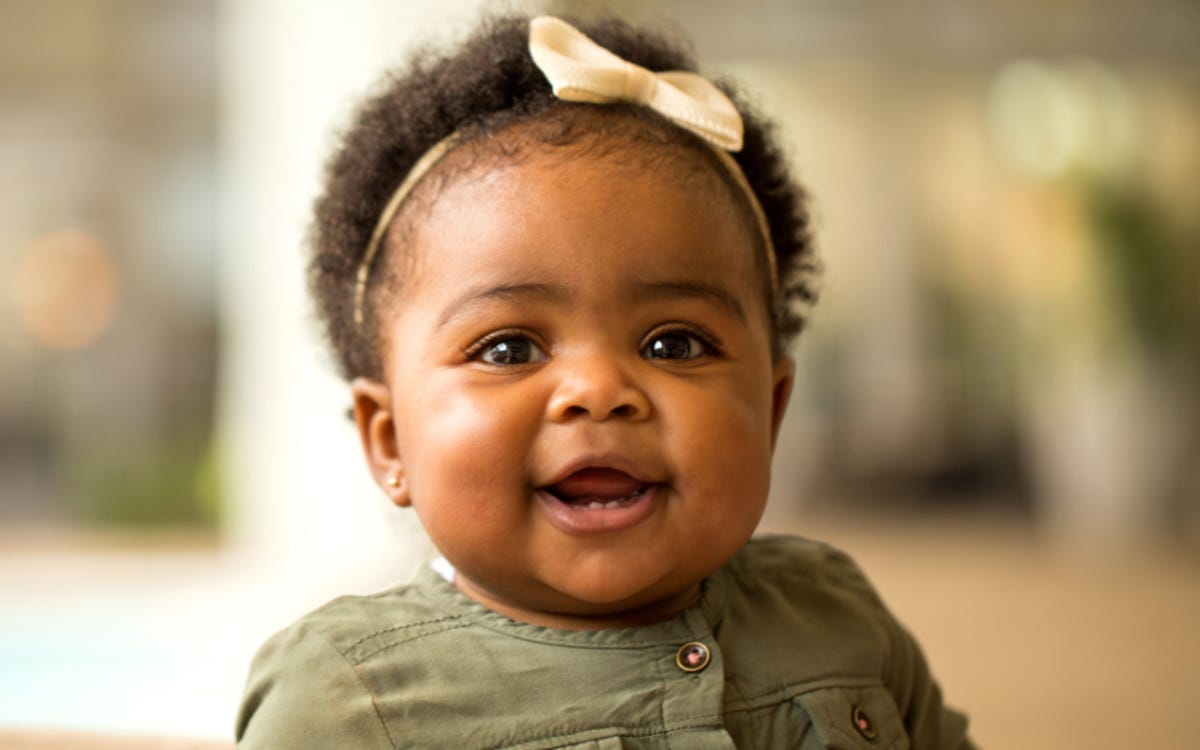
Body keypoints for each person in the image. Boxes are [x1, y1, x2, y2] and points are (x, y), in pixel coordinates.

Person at [235, 14, 975, 749]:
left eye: (674, 342)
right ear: (390, 441)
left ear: (771, 410)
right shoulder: (349, 705)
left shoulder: (834, 612)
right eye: (507, 349)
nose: (597, 388)